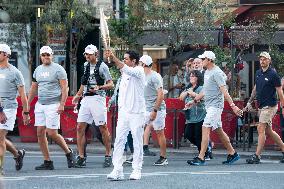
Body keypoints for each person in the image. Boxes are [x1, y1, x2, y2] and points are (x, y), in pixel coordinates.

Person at [187, 51, 243, 166]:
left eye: (203, 59)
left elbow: (224, 91)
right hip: (210, 106)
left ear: (209, 60)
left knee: (205, 127)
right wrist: (194, 100)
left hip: (215, 106)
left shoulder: (216, 73)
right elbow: (205, 90)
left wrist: (233, 106)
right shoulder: (207, 72)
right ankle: (233, 153)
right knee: (219, 130)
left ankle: (201, 157)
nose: (201, 61)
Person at [28, 46, 75, 170]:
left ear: (52, 55)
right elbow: (33, 88)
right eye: (43, 55)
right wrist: (27, 104)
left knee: (52, 133)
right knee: (40, 133)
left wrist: (62, 104)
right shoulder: (37, 70)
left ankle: (68, 152)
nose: (46, 57)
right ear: (40, 57)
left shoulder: (59, 69)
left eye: (48, 55)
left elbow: (65, 88)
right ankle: (47, 161)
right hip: (40, 104)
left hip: (53, 104)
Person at [105, 50, 145, 180]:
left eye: (126, 59)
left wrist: (114, 57)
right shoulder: (123, 74)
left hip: (137, 112)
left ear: (134, 61)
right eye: (124, 59)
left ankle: (137, 170)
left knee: (137, 141)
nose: (124, 61)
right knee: (119, 141)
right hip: (124, 113)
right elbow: (120, 67)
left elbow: (126, 68)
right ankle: (117, 169)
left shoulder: (139, 70)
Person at [72, 44, 113, 168]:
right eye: (86, 54)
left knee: (102, 127)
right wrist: (78, 95)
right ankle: (81, 157)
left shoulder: (103, 67)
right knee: (80, 127)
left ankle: (108, 154)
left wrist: (99, 87)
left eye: (90, 54)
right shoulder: (85, 65)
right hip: (86, 99)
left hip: (98, 99)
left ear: (96, 54)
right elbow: (84, 83)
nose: (87, 56)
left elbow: (111, 84)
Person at [244, 52, 284, 164]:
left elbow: (280, 91)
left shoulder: (273, 74)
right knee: (269, 131)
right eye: (261, 59)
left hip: (270, 106)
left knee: (260, 129)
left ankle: (257, 156)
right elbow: (256, 88)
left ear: (269, 61)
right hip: (262, 106)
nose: (262, 61)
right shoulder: (258, 73)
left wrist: (283, 105)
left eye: (265, 59)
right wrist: (249, 101)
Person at [0, 44, 28, 175]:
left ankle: (0, 168)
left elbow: (22, 94)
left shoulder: (15, 72)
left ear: (5, 54)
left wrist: (26, 112)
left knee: (0, 137)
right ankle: (18, 154)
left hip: (8, 108)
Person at [180, 70, 212, 161]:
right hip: (191, 117)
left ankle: (202, 154)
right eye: (190, 76)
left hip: (200, 115)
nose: (191, 77)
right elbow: (181, 97)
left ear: (198, 78)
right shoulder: (188, 88)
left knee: (198, 136)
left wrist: (192, 93)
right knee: (188, 134)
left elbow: (202, 97)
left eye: (193, 76)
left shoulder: (201, 87)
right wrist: (187, 92)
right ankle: (205, 151)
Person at [141, 55, 168, 166]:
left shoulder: (155, 76)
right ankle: (136, 155)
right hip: (145, 109)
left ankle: (163, 157)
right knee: (137, 129)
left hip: (157, 109)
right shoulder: (141, 76)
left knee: (159, 133)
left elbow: (160, 94)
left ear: (143, 64)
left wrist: (155, 110)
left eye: (140, 63)